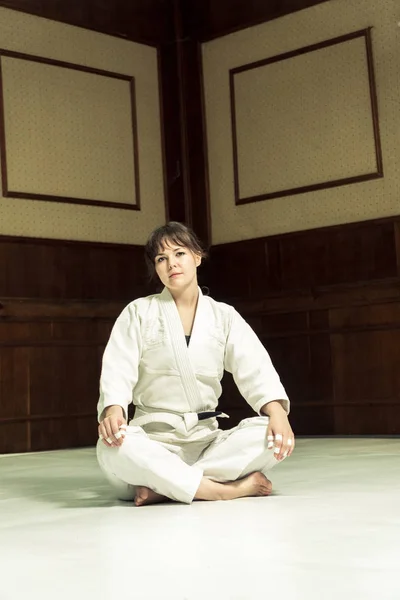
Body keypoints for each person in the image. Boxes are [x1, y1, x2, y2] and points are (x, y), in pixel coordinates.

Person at [96, 221, 294, 506]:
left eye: (179, 254)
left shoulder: (224, 316)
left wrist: (277, 412)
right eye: (161, 259)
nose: (171, 264)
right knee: (113, 448)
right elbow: (118, 366)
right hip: (152, 441)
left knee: (269, 435)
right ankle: (222, 490)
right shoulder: (138, 312)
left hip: (207, 443)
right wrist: (114, 408)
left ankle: (165, 487)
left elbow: (255, 366)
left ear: (197, 257)